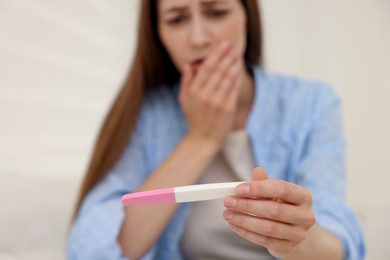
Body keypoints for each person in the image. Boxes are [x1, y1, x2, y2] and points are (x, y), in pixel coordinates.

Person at [68, 0, 365, 259]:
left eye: (217, 12)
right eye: (177, 19)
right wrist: (201, 138)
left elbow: (338, 243)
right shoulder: (147, 115)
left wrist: (296, 239)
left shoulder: (311, 105)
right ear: (158, 34)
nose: (199, 38)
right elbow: (90, 250)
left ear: (247, 17)